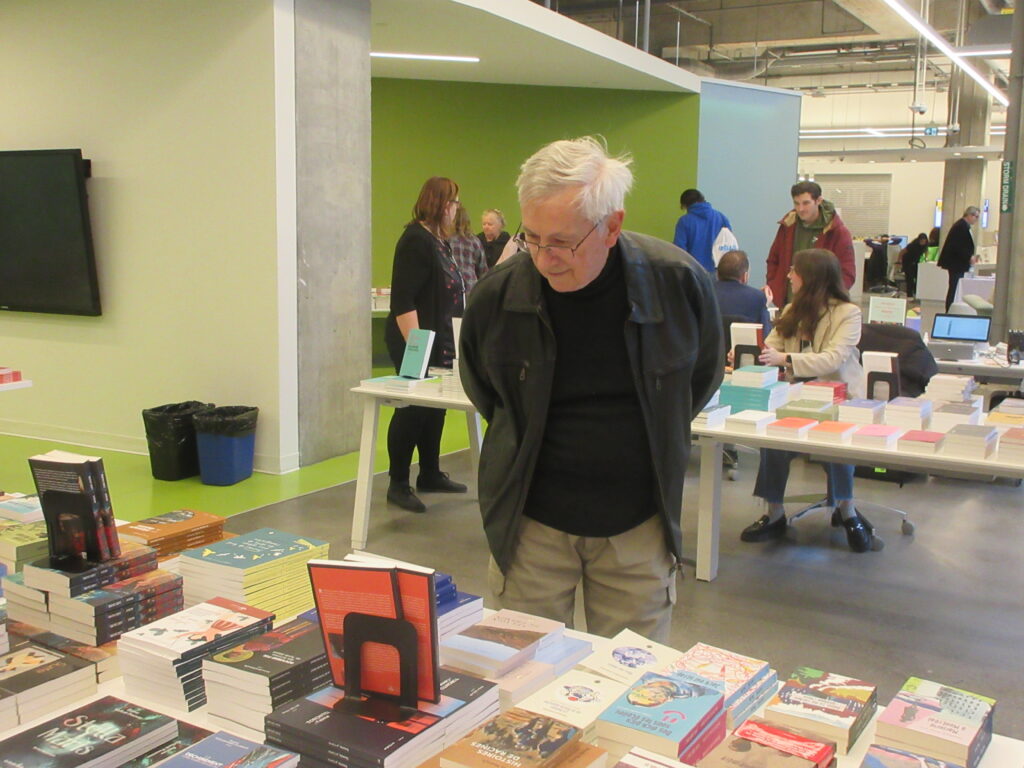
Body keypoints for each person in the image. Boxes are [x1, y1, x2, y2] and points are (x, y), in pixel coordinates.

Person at [460, 137, 723, 642]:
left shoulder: (678, 283)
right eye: (531, 237)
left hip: (638, 525)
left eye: (562, 242)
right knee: (523, 674)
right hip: (530, 524)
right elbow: (488, 393)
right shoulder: (498, 295)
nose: (543, 257)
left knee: (632, 682)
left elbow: (698, 379)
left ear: (612, 226)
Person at [739, 248, 874, 553]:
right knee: (772, 441)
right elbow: (770, 346)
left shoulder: (847, 314)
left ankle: (846, 510)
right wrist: (750, 352)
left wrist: (785, 358)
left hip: (838, 397)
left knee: (836, 444)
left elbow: (832, 359)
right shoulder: (790, 311)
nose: (788, 276)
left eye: (793, 271)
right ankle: (773, 513)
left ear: (809, 276)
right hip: (795, 395)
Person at [384, 177, 468, 514]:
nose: (457, 208)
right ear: (439, 203)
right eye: (454, 202)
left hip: (441, 341)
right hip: (415, 340)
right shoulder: (415, 240)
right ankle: (398, 483)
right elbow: (403, 301)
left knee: (436, 408)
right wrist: (415, 353)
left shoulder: (439, 241)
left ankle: (430, 472)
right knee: (412, 409)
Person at [766, 181, 855, 308]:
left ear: (818, 201)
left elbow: (847, 272)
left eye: (806, 203)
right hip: (788, 303)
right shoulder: (787, 226)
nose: (800, 209)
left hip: (821, 306)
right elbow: (773, 259)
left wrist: (829, 297)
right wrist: (774, 286)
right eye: (796, 203)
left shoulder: (837, 231)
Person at [672, 188, 733, 273]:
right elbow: (729, 243)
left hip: (694, 272)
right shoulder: (721, 217)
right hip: (718, 271)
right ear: (703, 199)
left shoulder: (684, 221)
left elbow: (679, 250)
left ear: (686, 205)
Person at [715, 249, 771, 335]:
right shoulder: (757, 298)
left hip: (710, 348)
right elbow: (765, 336)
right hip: (742, 348)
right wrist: (765, 305)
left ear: (717, 274)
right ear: (745, 276)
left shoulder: (704, 294)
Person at [937, 206, 980, 311]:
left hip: (958, 263)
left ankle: (951, 308)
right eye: (976, 217)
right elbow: (958, 246)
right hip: (956, 264)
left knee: (955, 287)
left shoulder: (963, 226)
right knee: (954, 288)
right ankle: (950, 309)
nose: (976, 219)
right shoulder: (960, 227)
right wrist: (969, 257)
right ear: (969, 215)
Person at [450, 203, 488, 293]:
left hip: (450, 287)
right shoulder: (475, 241)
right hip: (471, 288)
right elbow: (483, 270)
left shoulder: (444, 240)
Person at [898, 232, 929, 298]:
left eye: (924, 241)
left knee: (918, 278)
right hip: (907, 262)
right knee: (910, 279)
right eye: (921, 240)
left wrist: (926, 259)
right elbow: (902, 252)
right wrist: (899, 260)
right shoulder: (912, 245)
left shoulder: (925, 246)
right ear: (919, 240)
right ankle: (909, 295)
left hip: (915, 262)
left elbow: (926, 251)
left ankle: (916, 293)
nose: (923, 242)